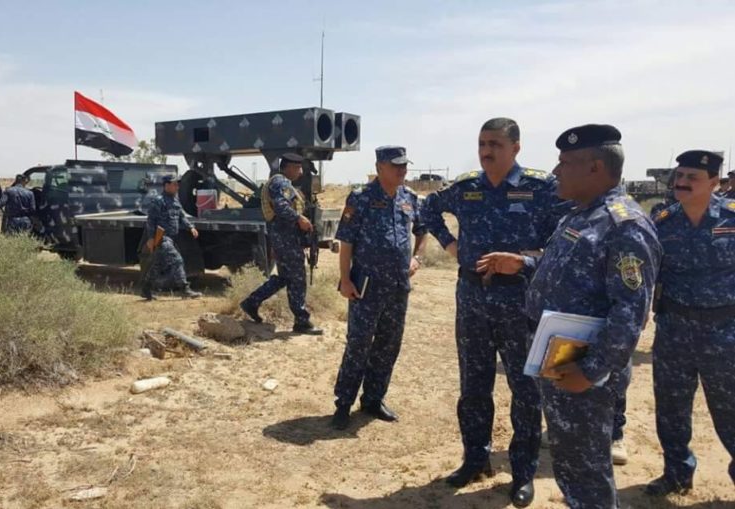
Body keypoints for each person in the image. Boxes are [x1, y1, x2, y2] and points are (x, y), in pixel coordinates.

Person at [477, 124, 661, 509]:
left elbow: (630, 313)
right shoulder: (581, 215)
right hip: (561, 356)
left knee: (587, 472)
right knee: (570, 465)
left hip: (583, 368)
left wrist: (591, 370)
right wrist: (525, 262)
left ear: (595, 168)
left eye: (564, 163)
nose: (556, 172)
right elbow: (563, 267)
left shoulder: (623, 225)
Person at [421, 118, 567, 507]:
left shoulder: (542, 188)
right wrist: (452, 247)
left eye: (495, 144)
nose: (487, 151)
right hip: (472, 297)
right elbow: (426, 210)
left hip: (522, 301)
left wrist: (523, 261)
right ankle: (475, 459)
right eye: (482, 143)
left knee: (525, 391)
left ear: (516, 148)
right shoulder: (468, 186)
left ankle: (522, 473)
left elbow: (563, 244)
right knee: (474, 386)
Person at [646, 150, 735, 496]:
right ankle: (677, 473)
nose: (681, 183)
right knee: (671, 408)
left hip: (725, 331)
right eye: (678, 176)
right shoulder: (662, 221)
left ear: (715, 183)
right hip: (675, 328)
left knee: (729, 409)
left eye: (691, 178)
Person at [330, 145, 426, 431]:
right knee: (358, 344)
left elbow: (422, 231)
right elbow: (346, 242)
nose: (402, 170)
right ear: (380, 166)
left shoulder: (409, 198)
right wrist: (345, 280)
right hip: (366, 286)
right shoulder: (360, 198)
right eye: (396, 165)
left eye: (404, 165)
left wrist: (417, 256)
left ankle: (373, 399)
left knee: (388, 345)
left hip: (398, 286)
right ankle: (343, 404)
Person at [240, 153, 322, 334]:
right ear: (289, 167)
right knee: (298, 277)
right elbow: (281, 206)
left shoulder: (283, 183)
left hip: (285, 238)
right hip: (286, 238)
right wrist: (299, 218)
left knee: (285, 277)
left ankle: (251, 302)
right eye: (298, 168)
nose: (300, 172)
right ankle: (301, 320)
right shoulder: (281, 182)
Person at [140, 174, 201, 300]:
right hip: (162, 237)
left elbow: (182, 216)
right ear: (166, 185)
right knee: (177, 260)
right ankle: (185, 288)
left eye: (177, 184)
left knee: (157, 264)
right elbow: (151, 220)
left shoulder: (175, 200)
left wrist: (191, 227)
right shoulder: (158, 201)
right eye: (174, 184)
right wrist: (151, 238)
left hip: (172, 238)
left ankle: (146, 289)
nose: (177, 187)